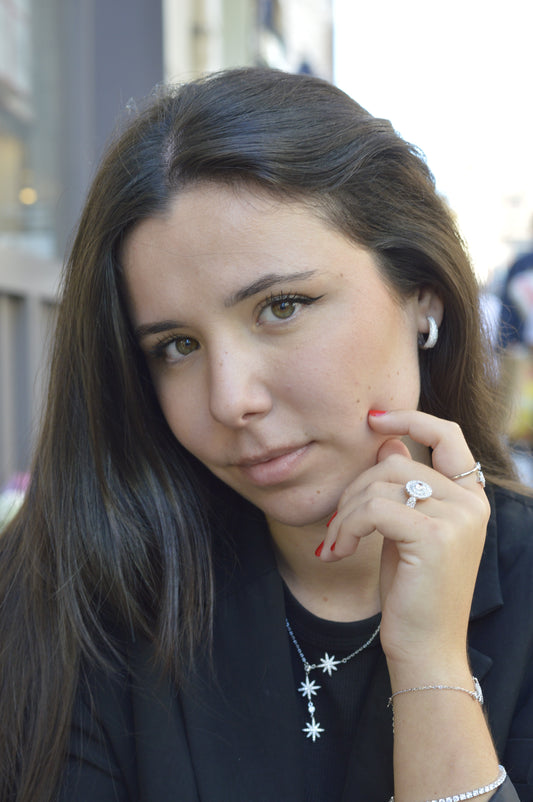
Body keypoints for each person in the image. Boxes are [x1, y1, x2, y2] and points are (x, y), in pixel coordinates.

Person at [0, 68, 531, 802]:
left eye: (281, 306)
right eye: (176, 346)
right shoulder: (69, 586)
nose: (230, 399)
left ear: (421, 296)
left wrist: (430, 663)